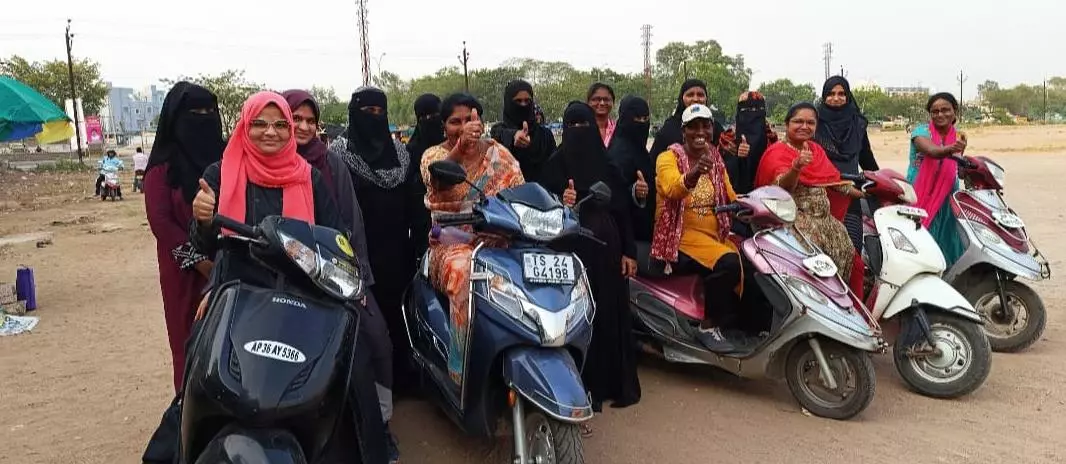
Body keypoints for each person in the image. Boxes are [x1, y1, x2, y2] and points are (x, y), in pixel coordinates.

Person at [189, 91, 392, 463]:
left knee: (355, 363)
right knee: (199, 359)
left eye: (280, 124)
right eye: (260, 124)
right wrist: (202, 218)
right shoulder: (220, 174)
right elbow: (205, 243)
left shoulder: (309, 177)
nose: (272, 132)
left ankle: (375, 449)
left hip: (305, 292)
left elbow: (336, 236)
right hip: (239, 290)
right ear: (244, 127)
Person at [283, 89, 395, 434]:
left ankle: (381, 422)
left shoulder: (331, 163)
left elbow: (351, 221)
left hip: (336, 269)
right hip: (285, 275)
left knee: (377, 338)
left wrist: (356, 278)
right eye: (296, 118)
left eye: (310, 120)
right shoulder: (265, 163)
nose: (303, 127)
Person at [541, 102, 641, 429]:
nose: (579, 133)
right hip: (568, 253)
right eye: (572, 125)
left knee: (609, 315)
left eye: (584, 125)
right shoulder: (554, 165)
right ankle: (577, 386)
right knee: (575, 317)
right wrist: (561, 200)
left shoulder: (608, 165)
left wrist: (629, 252)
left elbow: (623, 210)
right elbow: (540, 209)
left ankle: (612, 384)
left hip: (607, 253)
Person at [420, 93, 524, 387]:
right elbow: (437, 182)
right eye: (455, 122)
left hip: (498, 243)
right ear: (444, 127)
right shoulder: (434, 155)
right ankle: (460, 370)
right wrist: (460, 147)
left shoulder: (499, 154)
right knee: (466, 272)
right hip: (451, 246)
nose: (463, 126)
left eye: (470, 119)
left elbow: (519, 194)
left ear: (480, 120)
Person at [331, 86, 428, 395]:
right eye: (366, 112)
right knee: (367, 322)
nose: (374, 118)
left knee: (400, 314)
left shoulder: (401, 155)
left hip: (397, 249)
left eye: (379, 112)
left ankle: (403, 381)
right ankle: (369, 387)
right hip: (358, 252)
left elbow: (414, 203)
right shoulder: (339, 155)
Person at [143, 82, 224, 394]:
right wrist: (201, 263)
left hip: (230, 267)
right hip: (184, 277)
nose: (204, 119)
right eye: (195, 113)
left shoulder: (228, 160)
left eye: (209, 112)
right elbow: (161, 223)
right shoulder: (161, 170)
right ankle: (187, 416)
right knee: (189, 345)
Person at [653, 104, 744, 353]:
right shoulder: (668, 158)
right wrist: (694, 173)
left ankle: (740, 323)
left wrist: (751, 205)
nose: (700, 131)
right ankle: (707, 326)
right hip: (679, 236)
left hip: (714, 234)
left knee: (752, 258)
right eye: (693, 127)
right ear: (684, 131)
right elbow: (672, 188)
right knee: (728, 263)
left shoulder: (715, 158)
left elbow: (729, 194)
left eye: (705, 125)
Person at [755, 103, 864, 295]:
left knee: (854, 263)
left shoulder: (816, 150)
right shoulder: (776, 152)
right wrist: (796, 168)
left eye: (810, 123)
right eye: (798, 121)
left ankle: (853, 311)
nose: (804, 126)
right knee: (818, 268)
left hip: (827, 223)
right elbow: (781, 188)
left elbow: (833, 181)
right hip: (795, 223)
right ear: (787, 124)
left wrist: (866, 193)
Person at [815, 76, 880, 251]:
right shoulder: (814, 124)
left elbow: (866, 158)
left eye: (841, 94)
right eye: (831, 94)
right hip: (820, 196)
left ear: (848, 96)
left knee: (852, 249)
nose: (836, 98)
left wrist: (880, 181)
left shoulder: (857, 124)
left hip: (851, 195)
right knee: (823, 252)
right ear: (823, 96)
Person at [908, 92, 968, 266]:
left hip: (947, 198)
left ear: (954, 111)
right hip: (919, 195)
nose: (940, 115)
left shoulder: (958, 138)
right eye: (935, 112)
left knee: (948, 244)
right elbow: (933, 152)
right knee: (920, 244)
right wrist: (952, 149)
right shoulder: (920, 132)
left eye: (945, 110)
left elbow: (958, 167)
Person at [489, 79, 557, 183]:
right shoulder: (498, 132)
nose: (523, 105)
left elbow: (555, 170)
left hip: (542, 197)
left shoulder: (545, 136)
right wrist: (514, 136)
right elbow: (500, 135)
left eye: (527, 101)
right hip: (507, 196)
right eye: (518, 101)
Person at [607, 96, 655, 242]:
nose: (642, 123)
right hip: (626, 237)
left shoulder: (640, 152)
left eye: (645, 118)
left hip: (644, 230)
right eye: (637, 118)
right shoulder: (619, 153)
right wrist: (634, 191)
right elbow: (614, 195)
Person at [718, 91, 779, 195]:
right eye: (747, 109)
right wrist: (739, 158)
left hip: (766, 195)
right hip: (735, 196)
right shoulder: (727, 139)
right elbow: (720, 171)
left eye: (757, 109)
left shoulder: (772, 138)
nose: (753, 113)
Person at [649, 79, 726, 160]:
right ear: (682, 98)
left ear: (706, 99)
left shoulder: (715, 127)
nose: (696, 99)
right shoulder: (669, 128)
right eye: (690, 95)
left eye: (700, 95)